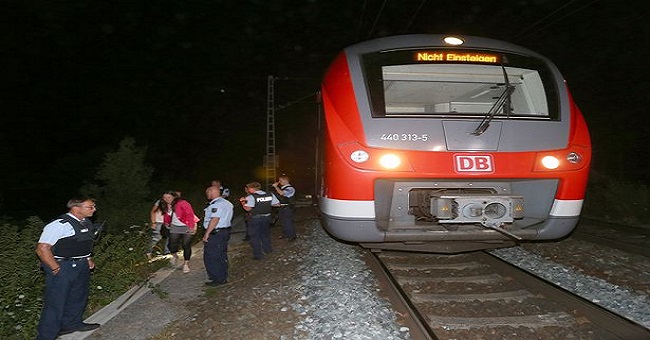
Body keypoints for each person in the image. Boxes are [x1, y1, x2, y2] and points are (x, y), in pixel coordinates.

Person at [35, 198, 101, 339]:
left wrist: (88, 258)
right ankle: (47, 336)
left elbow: (84, 243)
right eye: (91, 207)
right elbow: (42, 249)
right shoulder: (59, 225)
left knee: (78, 297)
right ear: (76, 208)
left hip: (81, 265)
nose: (94, 209)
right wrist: (54, 267)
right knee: (56, 302)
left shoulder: (85, 222)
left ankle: (72, 324)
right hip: (63, 266)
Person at [202, 185, 234, 286]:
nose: (207, 194)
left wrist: (207, 233)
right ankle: (221, 275)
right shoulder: (226, 203)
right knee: (221, 254)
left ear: (211, 192)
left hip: (216, 233)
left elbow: (215, 219)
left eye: (207, 192)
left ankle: (218, 278)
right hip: (223, 232)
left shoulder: (217, 205)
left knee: (212, 256)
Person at [239, 182, 279, 260]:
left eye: (248, 188)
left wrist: (243, 202)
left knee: (255, 237)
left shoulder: (251, 197)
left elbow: (248, 209)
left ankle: (258, 255)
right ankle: (268, 250)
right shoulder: (269, 194)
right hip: (267, 217)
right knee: (265, 234)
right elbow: (277, 204)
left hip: (255, 219)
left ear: (251, 188)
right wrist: (265, 204)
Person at [161, 191, 198, 273]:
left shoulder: (182, 203)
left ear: (174, 197)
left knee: (186, 245)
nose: (167, 199)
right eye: (164, 198)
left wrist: (191, 227)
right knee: (171, 244)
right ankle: (175, 256)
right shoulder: (165, 205)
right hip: (175, 226)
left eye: (169, 197)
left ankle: (186, 264)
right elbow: (166, 216)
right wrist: (166, 223)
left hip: (187, 225)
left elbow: (190, 214)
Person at [271, 174, 297, 241]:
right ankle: (286, 234)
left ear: (285, 180)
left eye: (280, 180)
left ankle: (292, 236)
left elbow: (282, 193)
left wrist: (276, 187)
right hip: (281, 207)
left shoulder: (290, 188)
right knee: (282, 222)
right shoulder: (282, 188)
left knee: (287, 222)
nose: (279, 182)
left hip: (288, 208)